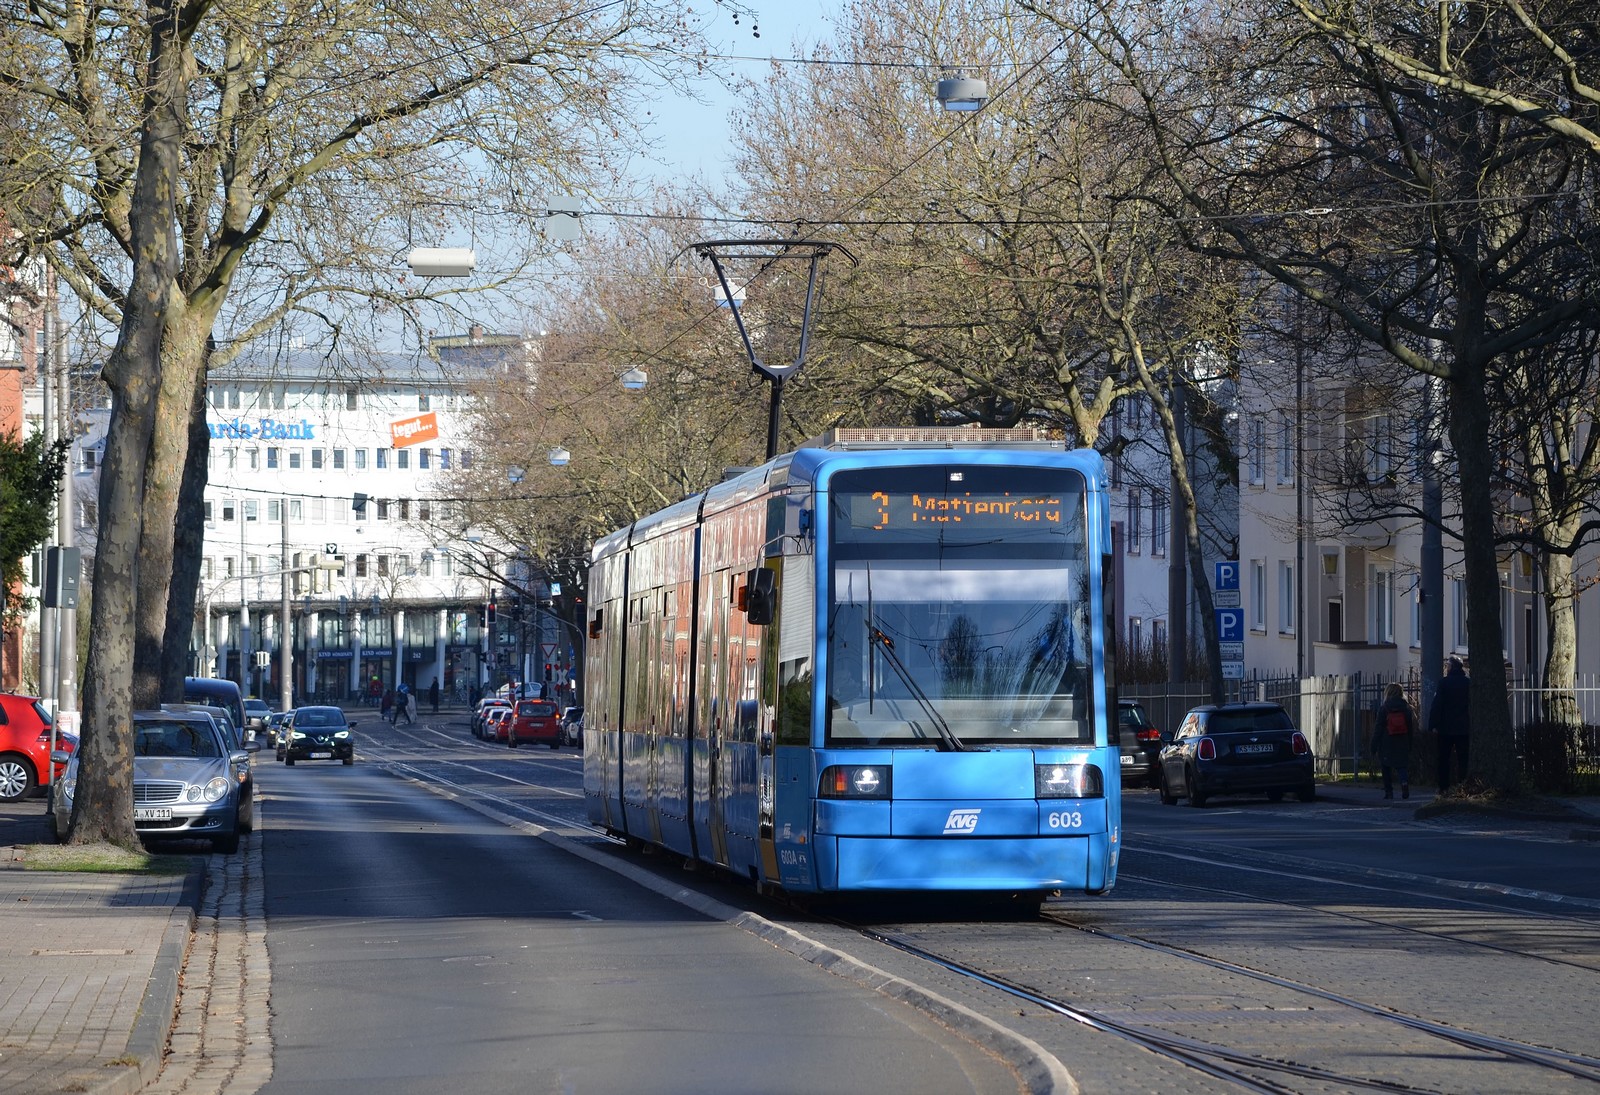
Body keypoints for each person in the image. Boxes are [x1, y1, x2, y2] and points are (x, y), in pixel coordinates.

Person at [1431, 655, 1471, 792]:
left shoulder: (1444, 683)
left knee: (1443, 759)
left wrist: (1433, 724)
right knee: (1463, 759)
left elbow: (1437, 705)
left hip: (1445, 728)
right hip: (1463, 728)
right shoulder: (1468, 683)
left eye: (1447, 665)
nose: (1446, 668)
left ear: (1452, 667)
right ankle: (1463, 784)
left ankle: (1444, 786)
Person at [1373, 682, 1415, 800]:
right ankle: (1404, 783)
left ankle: (1389, 792)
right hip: (1402, 741)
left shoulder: (1384, 708)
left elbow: (1378, 728)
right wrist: (1410, 743)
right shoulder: (1406, 708)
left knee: (1386, 767)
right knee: (1401, 766)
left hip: (1387, 742)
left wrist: (1374, 745)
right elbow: (1410, 728)